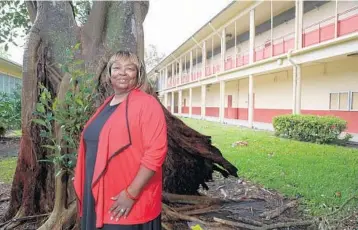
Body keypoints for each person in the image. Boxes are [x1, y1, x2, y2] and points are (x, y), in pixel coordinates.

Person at [73, 50, 168, 230]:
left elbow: (156, 153)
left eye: (130, 68)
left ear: (138, 75)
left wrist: (131, 194)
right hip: (96, 194)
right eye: (116, 67)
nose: (122, 72)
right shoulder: (105, 105)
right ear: (109, 74)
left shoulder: (147, 104)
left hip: (127, 199)